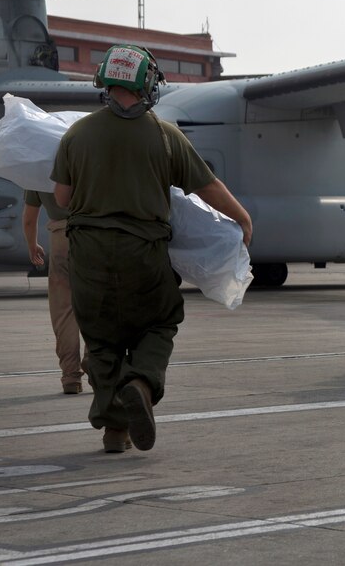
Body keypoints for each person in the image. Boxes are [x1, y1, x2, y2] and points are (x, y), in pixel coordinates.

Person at [52, 45, 252, 454]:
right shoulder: (165, 136)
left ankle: (114, 431)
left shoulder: (78, 133)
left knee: (103, 341)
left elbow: (62, 198)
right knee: (159, 322)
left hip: (88, 254)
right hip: (143, 251)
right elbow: (208, 187)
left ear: (104, 82)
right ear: (147, 85)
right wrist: (243, 220)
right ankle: (141, 381)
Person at [22, 190, 85, 394]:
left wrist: (32, 245)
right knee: (97, 307)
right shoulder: (86, 159)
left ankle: (71, 377)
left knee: (64, 312)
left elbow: (30, 219)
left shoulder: (37, 167)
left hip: (60, 240)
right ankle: (98, 369)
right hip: (92, 237)